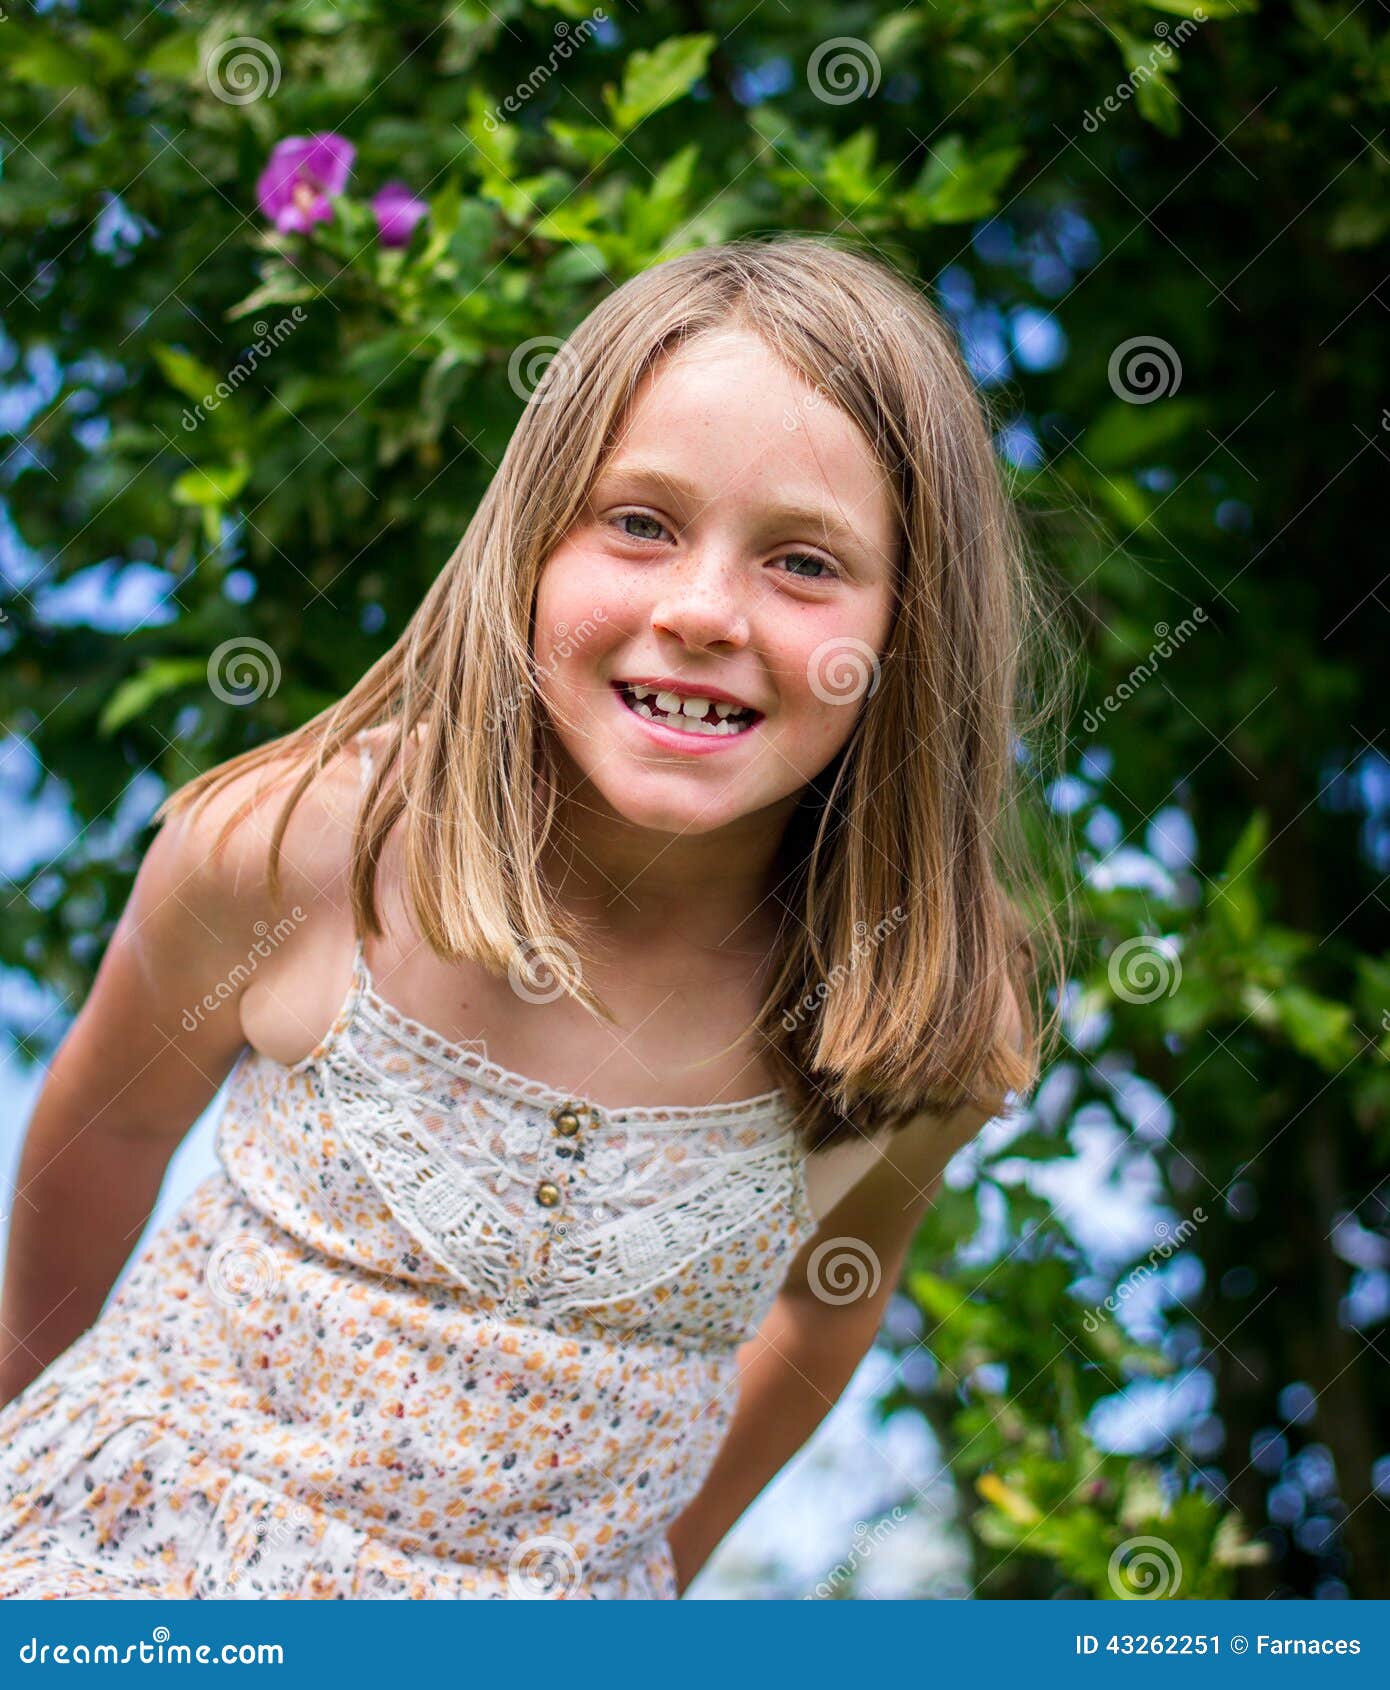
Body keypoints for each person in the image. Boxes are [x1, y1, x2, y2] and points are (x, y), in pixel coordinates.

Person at [0, 234, 1065, 1599]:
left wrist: (647, 1575)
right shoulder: (311, 853)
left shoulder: (925, 1009)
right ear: (529, 543)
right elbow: (112, 1122)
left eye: (802, 562)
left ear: (911, 632)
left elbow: (828, 1294)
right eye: (638, 523)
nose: (698, 610)